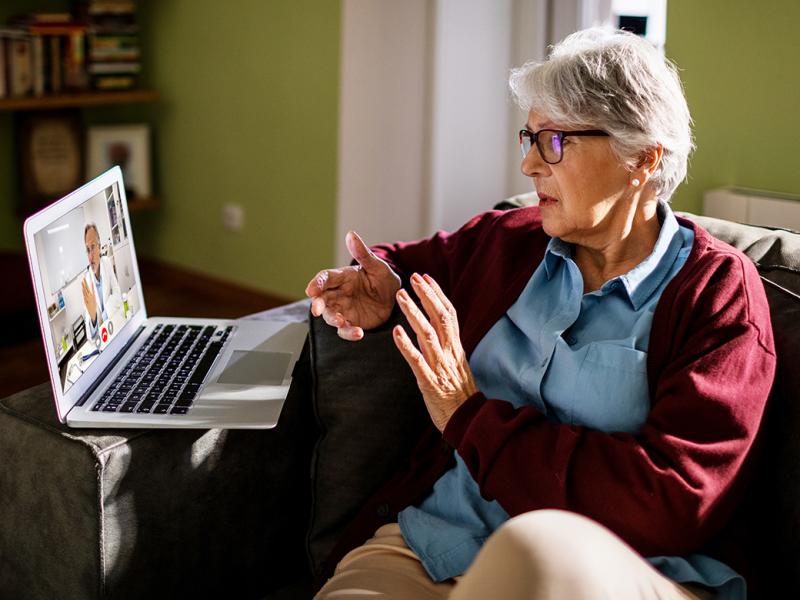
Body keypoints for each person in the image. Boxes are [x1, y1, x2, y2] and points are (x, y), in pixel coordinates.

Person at [305, 28, 775, 599]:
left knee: (536, 550)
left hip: (622, 572)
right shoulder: (510, 241)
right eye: (529, 137)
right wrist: (381, 289)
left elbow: (673, 499)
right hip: (439, 544)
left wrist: (468, 415)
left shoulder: (717, 292)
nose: (528, 164)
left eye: (554, 141)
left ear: (641, 158)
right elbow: (407, 267)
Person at [82, 222, 122, 341]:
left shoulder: (107, 262)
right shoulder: (86, 282)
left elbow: (118, 294)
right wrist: (94, 319)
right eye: (87, 250)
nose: (90, 256)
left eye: (93, 247)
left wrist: (103, 317)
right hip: (102, 338)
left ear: (99, 246)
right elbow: (90, 333)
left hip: (115, 324)